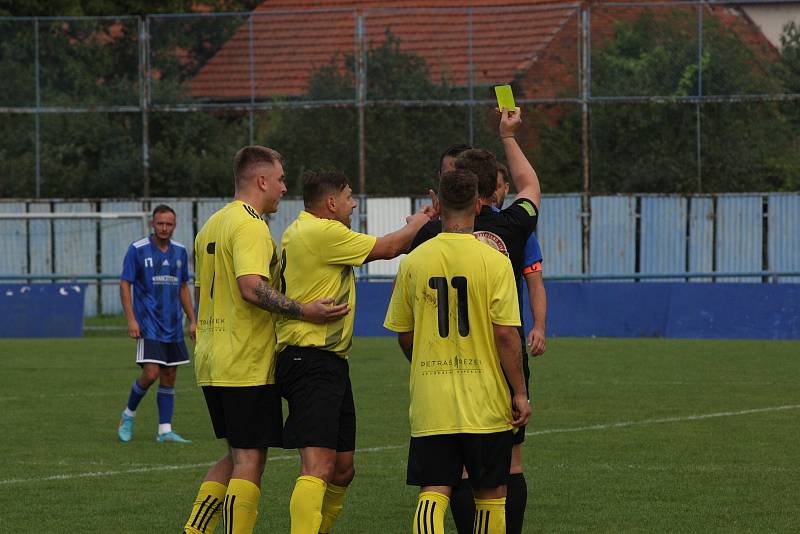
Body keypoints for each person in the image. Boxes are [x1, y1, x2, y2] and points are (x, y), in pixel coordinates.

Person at [182, 147, 349, 534]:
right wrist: (304, 310)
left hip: (212, 357)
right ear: (261, 181)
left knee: (236, 452)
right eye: (280, 179)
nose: (284, 187)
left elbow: (205, 287)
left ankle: (196, 529)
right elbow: (251, 287)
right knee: (250, 461)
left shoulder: (212, 224)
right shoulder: (250, 225)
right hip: (244, 358)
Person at [274, 169, 432, 534]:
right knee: (317, 466)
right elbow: (390, 248)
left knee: (343, 469)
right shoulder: (322, 231)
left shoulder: (303, 230)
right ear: (331, 203)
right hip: (309, 358)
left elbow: (394, 245)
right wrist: (425, 219)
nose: (354, 203)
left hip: (328, 362)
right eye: (348, 197)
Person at [410, 107, 541, 534]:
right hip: (495, 370)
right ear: (491, 188)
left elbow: (404, 330)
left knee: (442, 479)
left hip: (438, 371)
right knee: (503, 471)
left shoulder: (427, 239)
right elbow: (531, 185)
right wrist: (508, 135)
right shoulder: (511, 228)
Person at [384, 168, 531, 534]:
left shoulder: (415, 260)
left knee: (433, 490)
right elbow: (507, 336)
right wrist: (520, 392)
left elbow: (404, 334)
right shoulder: (494, 260)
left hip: (432, 399)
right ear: (479, 203)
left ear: (436, 204)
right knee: (491, 493)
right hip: (485, 401)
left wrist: (419, 361)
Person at [117, 204, 195, 444]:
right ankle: (128, 415)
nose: (164, 228)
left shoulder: (180, 252)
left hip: (173, 326)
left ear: (174, 225)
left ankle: (164, 430)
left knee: (169, 374)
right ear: (153, 223)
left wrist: (192, 320)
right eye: (160, 223)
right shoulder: (137, 250)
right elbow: (124, 284)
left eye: (169, 224)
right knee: (151, 373)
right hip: (148, 325)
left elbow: (183, 287)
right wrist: (131, 319)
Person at [495, 162, 547, 357]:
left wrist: (539, 326)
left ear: (507, 188)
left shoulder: (519, 230)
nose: (493, 192)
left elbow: (535, 283)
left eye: (497, 186)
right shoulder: (462, 228)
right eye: (488, 186)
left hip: (510, 335)